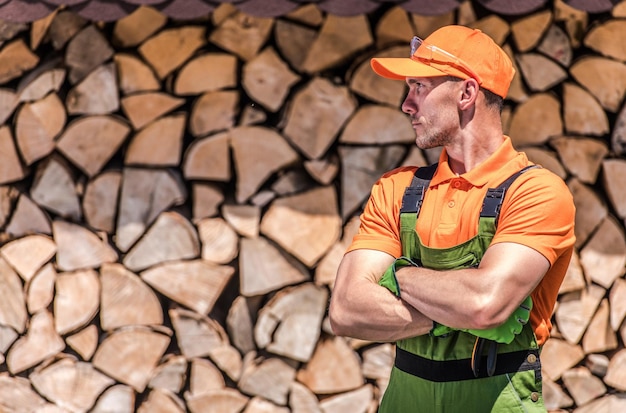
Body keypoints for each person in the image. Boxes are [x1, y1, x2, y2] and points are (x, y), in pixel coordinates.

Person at [328, 25, 575, 412]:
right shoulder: (397, 189)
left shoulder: (536, 192)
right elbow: (346, 309)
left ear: (466, 92)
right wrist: (453, 312)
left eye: (420, 87)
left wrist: (396, 278)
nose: (407, 104)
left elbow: (483, 304)